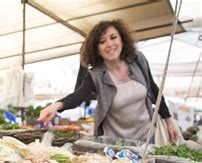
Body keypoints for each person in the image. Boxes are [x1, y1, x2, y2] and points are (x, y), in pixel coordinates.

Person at [38, 20, 178, 143]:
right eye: (102, 41)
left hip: (147, 138)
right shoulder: (96, 75)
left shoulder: (138, 60)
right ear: (97, 49)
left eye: (113, 37)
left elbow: (154, 90)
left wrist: (169, 121)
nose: (109, 44)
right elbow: (78, 96)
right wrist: (55, 106)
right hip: (115, 144)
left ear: (122, 40)